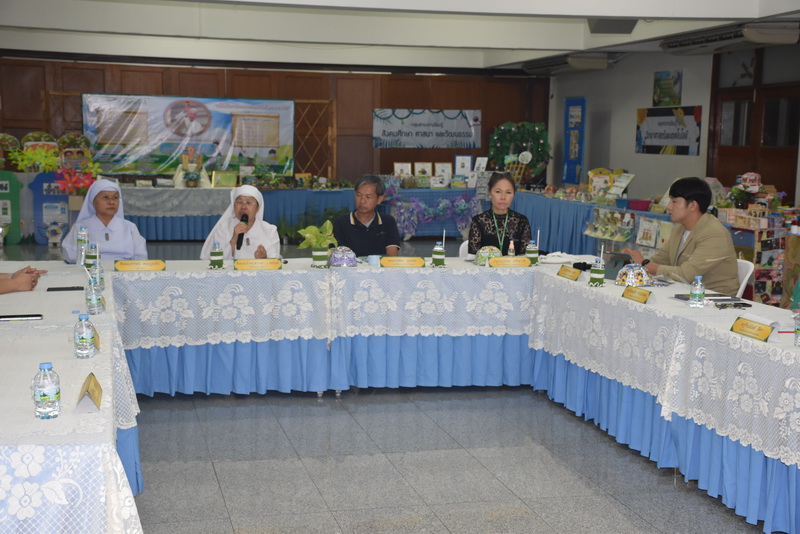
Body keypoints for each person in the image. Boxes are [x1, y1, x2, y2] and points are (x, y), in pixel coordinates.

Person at [623, 177, 739, 295]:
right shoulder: (679, 229)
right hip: (685, 293)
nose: (668, 206)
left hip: (713, 298)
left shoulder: (714, 234)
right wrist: (637, 265)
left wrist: (646, 265)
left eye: (674, 201)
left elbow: (686, 275)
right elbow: (662, 259)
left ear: (692, 205)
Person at [62, 179, 148, 263]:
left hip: (122, 270)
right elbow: (70, 256)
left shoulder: (130, 228)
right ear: (93, 202)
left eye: (115, 197)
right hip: (90, 270)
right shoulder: (80, 228)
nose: (111, 202)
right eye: (105, 197)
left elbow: (141, 258)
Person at [200, 185, 280, 260]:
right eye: (239, 202)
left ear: (257, 208)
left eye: (249, 203)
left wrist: (264, 259)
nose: (243, 207)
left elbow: (275, 260)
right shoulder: (223, 228)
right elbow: (217, 259)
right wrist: (233, 239)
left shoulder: (270, 231)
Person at [332, 175, 400, 257]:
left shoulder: (388, 222)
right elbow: (340, 257)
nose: (362, 201)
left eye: (368, 197)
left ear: (379, 199)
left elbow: (392, 257)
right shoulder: (340, 223)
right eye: (358, 195)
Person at [468, 172, 531, 255]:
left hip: (514, 263)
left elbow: (526, 256)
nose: (503, 197)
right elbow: (473, 256)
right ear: (489, 193)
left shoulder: (521, 221)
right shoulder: (478, 221)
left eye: (508, 192)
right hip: (486, 264)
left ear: (514, 194)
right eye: (498, 192)